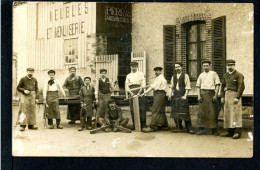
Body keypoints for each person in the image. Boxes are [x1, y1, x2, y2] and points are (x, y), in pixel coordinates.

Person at [221, 59, 245, 139]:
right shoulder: (225, 75)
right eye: (228, 65)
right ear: (226, 66)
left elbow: (241, 86)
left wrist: (237, 97)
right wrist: (222, 96)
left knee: (236, 114)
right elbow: (222, 86)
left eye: (231, 65)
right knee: (228, 114)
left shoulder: (239, 75)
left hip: (235, 95)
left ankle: (237, 132)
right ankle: (230, 131)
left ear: (234, 65)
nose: (230, 66)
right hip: (227, 95)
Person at [196, 60, 221, 135]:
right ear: (202, 66)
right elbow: (198, 86)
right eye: (204, 66)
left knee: (212, 112)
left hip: (211, 93)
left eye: (207, 65)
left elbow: (217, 85)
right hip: (203, 93)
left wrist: (215, 95)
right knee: (202, 112)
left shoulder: (214, 74)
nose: (205, 67)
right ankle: (201, 129)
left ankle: (214, 130)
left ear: (210, 66)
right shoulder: (201, 75)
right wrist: (199, 95)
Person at [168, 62, 194, 134]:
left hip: (182, 96)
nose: (177, 69)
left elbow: (188, 87)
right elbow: (171, 86)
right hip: (175, 96)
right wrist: (170, 95)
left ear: (182, 67)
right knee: (175, 113)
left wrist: (185, 96)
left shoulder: (185, 76)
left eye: (178, 67)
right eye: (176, 67)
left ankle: (189, 128)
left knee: (185, 113)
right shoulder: (173, 77)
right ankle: (179, 127)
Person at [141, 67, 168, 132]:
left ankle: (152, 127)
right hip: (160, 94)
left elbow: (153, 87)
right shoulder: (159, 78)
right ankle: (164, 125)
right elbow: (153, 85)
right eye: (155, 71)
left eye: (157, 71)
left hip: (159, 94)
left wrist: (144, 92)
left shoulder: (160, 78)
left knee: (155, 110)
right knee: (161, 110)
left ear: (160, 71)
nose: (156, 72)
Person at [125, 61, 147, 130]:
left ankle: (143, 124)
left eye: (135, 66)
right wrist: (131, 93)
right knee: (132, 108)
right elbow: (126, 86)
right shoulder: (128, 75)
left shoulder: (141, 74)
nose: (133, 68)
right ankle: (135, 125)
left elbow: (143, 84)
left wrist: (139, 93)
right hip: (132, 91)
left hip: (139, 91)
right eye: (132, 66)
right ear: (130, 67)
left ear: (137, 67)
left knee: (142, 108)